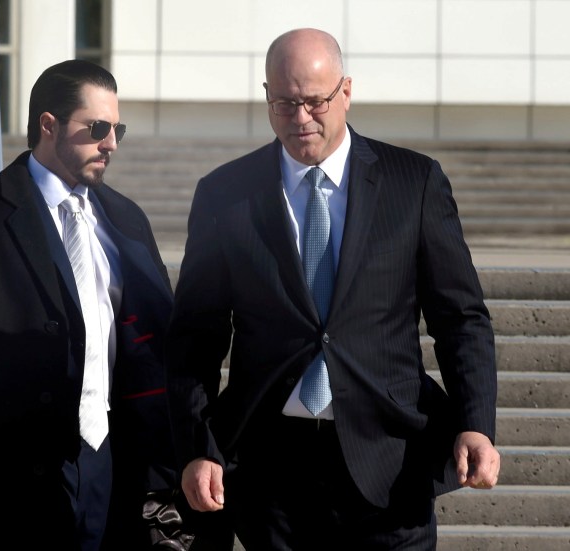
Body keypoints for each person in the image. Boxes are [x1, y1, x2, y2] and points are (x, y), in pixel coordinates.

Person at [165, 28, 501, 550]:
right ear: (266, 97)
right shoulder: (224, 194)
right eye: (284, 103)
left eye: (314, 101)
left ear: (345, 91)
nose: (300, 119)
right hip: (269, 470)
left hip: (390, 463)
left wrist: (475, 423)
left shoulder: (413, 183)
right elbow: (195, 338)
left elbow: (461, 318)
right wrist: (197, 447)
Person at [0, 60, 191, 550]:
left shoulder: (125, 218)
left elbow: (160, 338)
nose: (112, 143)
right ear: (48, 125)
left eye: (117, 128)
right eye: (97, 128)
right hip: (6, 475)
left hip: (108, 463)